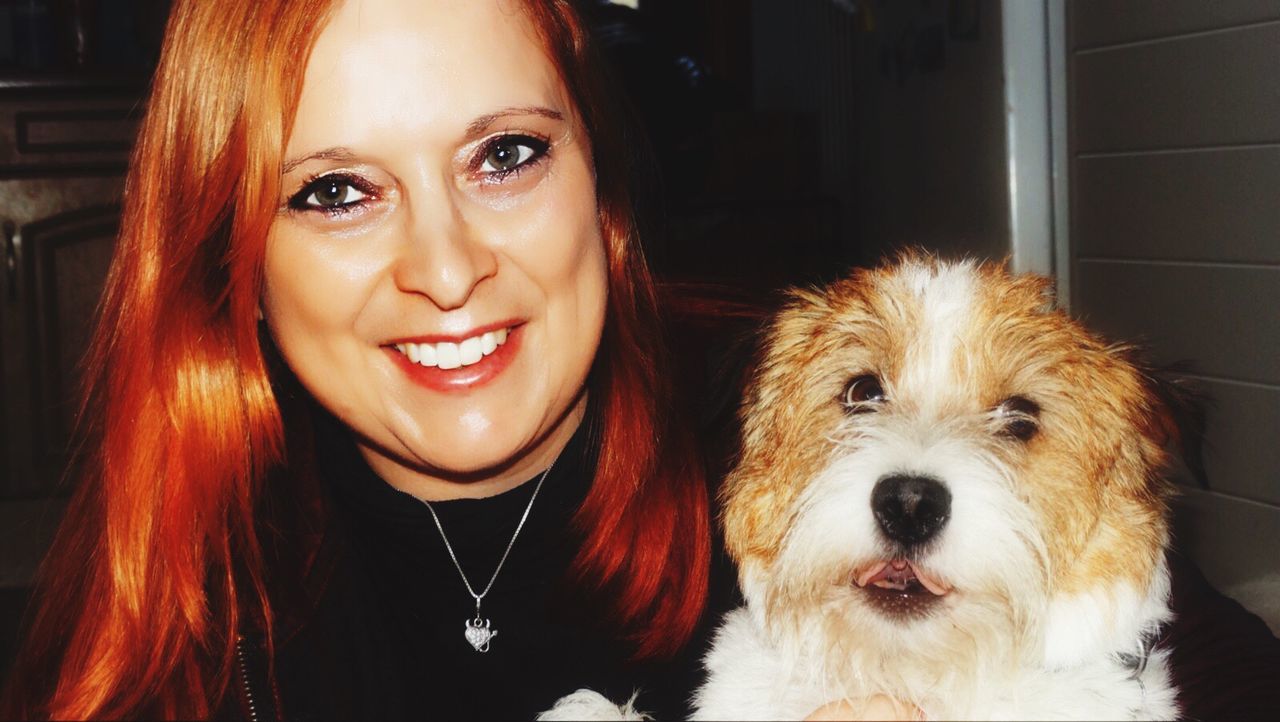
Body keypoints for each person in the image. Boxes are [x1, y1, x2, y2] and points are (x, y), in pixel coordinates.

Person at [5, 1, 1280, 720]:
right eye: (335, 190)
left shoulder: (784, 410)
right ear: (231, 256)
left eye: (505, 154)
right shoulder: (181, 597)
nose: (445, 268)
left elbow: (1196, 658)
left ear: (600, 184)